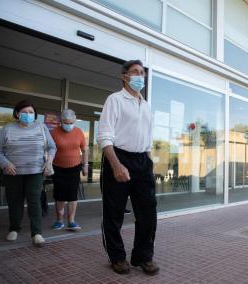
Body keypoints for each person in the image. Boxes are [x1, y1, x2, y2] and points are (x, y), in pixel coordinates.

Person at [98, 59, 158, 275]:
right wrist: (116, 165)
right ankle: (117, 257)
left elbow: (148, 138)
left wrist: (149, 164)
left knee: (148, 211)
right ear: (124, 76)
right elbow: (104, 136)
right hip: (118, 157)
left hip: (142, 160)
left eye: (142, 72)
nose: (140, 76)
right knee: (114, 213)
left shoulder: (146, 104)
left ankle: (143, 256)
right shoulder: (115, 100)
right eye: (135, 72)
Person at [0, 100, 56, 247]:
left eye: (31, 112)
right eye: (24, 112)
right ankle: (14, 228)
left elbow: (51, 147)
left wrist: (49, 162)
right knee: (14, 201)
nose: (28, 115)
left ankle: (36, 233)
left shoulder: (42, 127)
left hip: (36, 172)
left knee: (34, 201)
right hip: (12, 172)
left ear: (35, 114)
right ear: (17, 113)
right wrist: (5, 164)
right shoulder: (7, 128)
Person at [50, 109, 88, 231]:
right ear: (61, 121)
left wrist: (85, 165)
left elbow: (85, 149)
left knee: (72, 194)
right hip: (58, 167)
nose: (68, 125)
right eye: (65, 122)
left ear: (74, 120)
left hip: (75, 167)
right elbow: (48, 149)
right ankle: (59, 220)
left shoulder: (78, 132)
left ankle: (71, 221)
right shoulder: (54, 132)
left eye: (71, 122)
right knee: (59, 195)